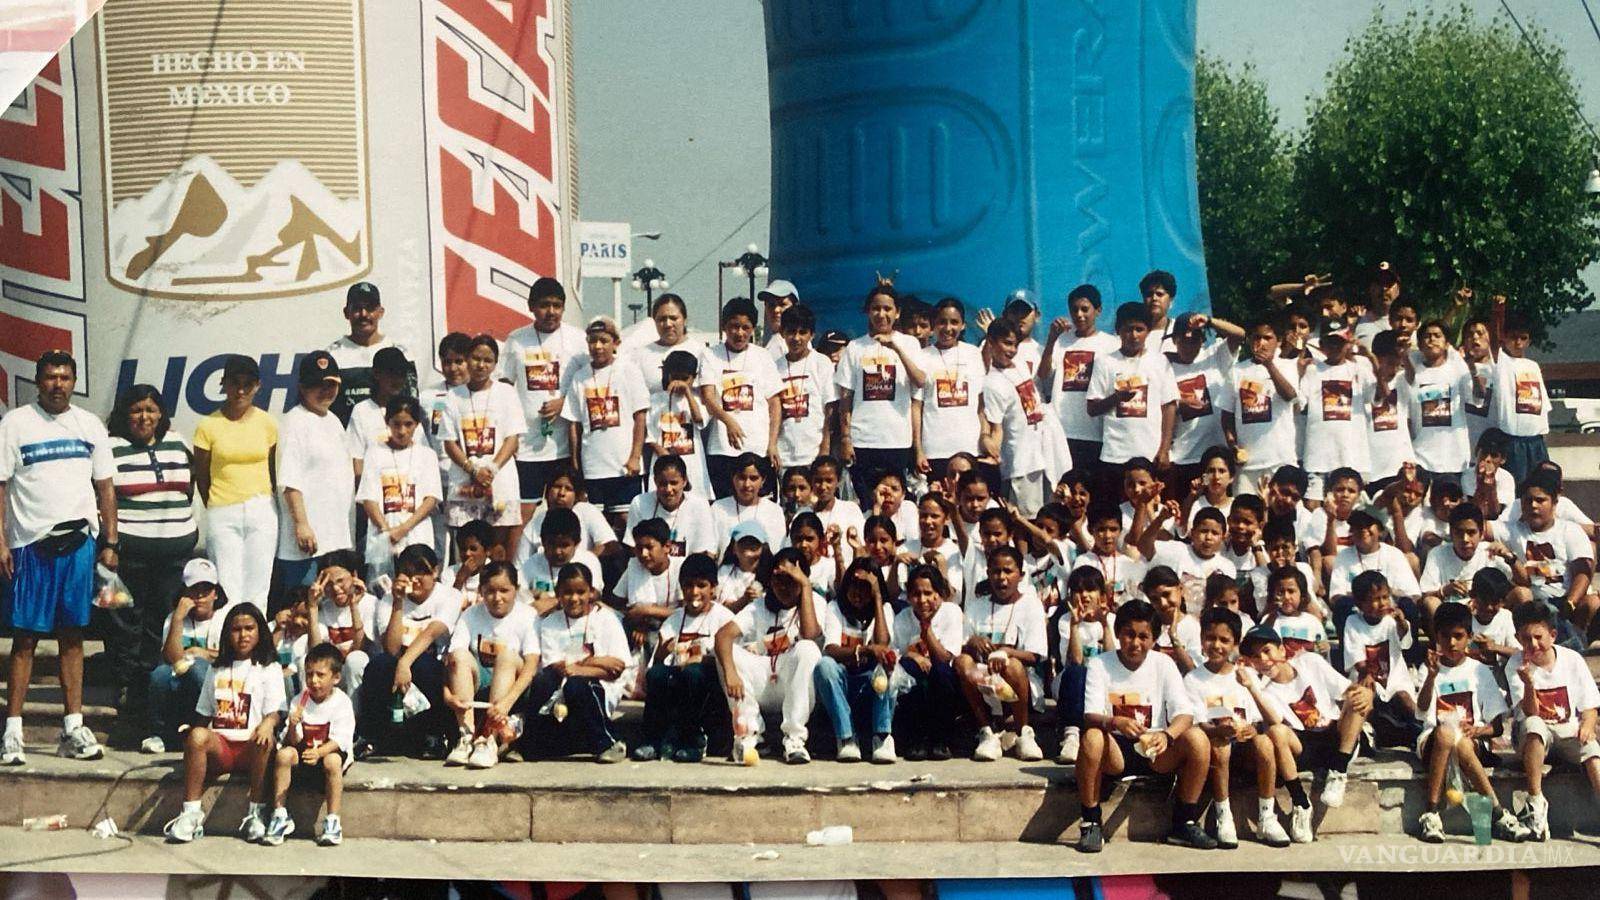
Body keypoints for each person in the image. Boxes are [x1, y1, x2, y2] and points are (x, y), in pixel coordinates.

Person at [0, 350, 118, 766]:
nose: (58, 384)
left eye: (65, 377)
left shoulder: (90, 425)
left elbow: (106, 488)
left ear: (74, 382)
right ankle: (12, 732)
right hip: (30, 544)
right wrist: (1, 542)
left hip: (79, 544)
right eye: (50, 377)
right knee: (25, 640)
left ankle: (73, 728)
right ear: (38, 381)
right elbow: (1, 486)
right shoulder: (15, 424)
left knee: (72, 637)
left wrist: (110, 542)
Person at [1075, 598, 1214, 852]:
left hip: (1154, 749)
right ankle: (1091, 821)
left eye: (1143, 636)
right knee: (1092, 736)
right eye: (1129, 634)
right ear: (1118, 633)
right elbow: (1090, 715)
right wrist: (1114, 721)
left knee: (1198, 739)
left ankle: (1184, 822)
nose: (1135, 643)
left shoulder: (1164, 663)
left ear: (1153, 639)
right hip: (1115, 749)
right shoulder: (1100, 663)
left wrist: (1167, 735)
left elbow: (1185, 714)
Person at [105, 384, 198, 746]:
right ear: (124, 415)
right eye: (136, 410)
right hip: (128, 554)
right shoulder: (111, 447)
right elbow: (104, 497)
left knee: (160, 622)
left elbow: (189, 488)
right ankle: (128, 695)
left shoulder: (177, 442)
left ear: (161, 414)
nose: (144, 417)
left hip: (173, 555)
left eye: (150, 409)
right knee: (125, 621)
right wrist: (110, 545)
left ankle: (151, 692)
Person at [161, 603, 286, 843]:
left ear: (260, 631)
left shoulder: (269, 668)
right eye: (236, 630)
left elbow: (275, 713)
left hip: (252, 747)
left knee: (265, 739)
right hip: (223, 748)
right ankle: (191, 814)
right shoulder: (216, 668)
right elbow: (204, 712)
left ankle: (256, 813)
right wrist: (192, 731)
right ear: (227, 634)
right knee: (197, 736)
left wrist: (268, 724)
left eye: (249, 628)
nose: (243, 635)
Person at [1414, 603, 1529, 844]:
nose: (1451, 643)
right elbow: (1421, 711)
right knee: (1447, 733)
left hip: (1470, 745)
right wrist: (1431, 678)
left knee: (1462, 743)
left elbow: (1497, 727)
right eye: (1445, 636)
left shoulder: (1479, 671)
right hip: (1434, 744)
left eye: (1458, 636)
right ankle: (1432, 813)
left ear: (1469, 637)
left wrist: (1477, 730)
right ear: (1436, 637)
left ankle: (1497, 813)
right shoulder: (1429, 669)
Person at [1184, 607, 1295, 848]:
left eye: (1224, 640)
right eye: (1210, 638)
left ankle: (1267, 816)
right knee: (1221, 746)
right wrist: (1217, 731)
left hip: (1244, 751)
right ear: (1202, 639)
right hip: (1215, 753)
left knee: (1264, 742)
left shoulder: (1244, 675)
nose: (1216, 645)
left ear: (1234, 644)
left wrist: (1252, 730)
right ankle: (1224, 815)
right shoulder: (1193, 679)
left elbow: (1256, 720)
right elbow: (1198, 724)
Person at [1241, 624, 1372, 816]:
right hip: (1304, 745)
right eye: (1256, 657)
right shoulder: (1264, 691)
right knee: (1277, 731)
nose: (1264, 660)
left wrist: (1366, 693)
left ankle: (1338, 772)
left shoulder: (1310, 662)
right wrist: (1251, 687)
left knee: (1359, 695)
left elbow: (1347, 690)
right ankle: (1301, 805)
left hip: (1335, 736)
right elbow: (1275, 720)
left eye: (1267, 651)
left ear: (1282, 650)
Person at [715, 548, 824, 764]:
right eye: (778, 579)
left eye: (790, 580)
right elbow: (723, 636)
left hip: (791, 684)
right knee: (725, 652)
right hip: (762, 681)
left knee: (808, 648)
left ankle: (794, 740)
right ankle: (750, 735)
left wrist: (805, 586)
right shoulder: (760, 605)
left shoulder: (814, 601)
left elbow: (811, 635)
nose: (783, 586)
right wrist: (731, 674)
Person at [354, 545, 462, 760]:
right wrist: (398, 603)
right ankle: (372, 735)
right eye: (408, 573)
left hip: (432, 664)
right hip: (397, 665)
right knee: (379, 664)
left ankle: (434, 735)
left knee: (424, 665)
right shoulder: (388, 600)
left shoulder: (450, 596)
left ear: (435, 572)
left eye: (421, 572)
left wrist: (405, 663)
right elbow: (391, 648)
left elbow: (432, 632)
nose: (414, 579)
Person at [1507, 601, 1600, 840]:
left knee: (1592, 748)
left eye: (1538, 637)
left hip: (1567, 729)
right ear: (1518, 639)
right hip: (1532, 737)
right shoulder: (1515, 664)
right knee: (1535, 725)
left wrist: (1588, 725)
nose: (1533, 644)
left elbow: (1590, 705)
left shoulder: (1572, 659)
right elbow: (1530, 712)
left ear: (1553, 635)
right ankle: (1536, 803)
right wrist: (1529, 684)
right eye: (1526, 639)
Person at [193, 354, 278, 611]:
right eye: (234, 383)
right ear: (224, 384)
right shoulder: (207, 425)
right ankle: (228, 636)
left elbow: (273, 471)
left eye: (247, 384)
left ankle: (256, 635)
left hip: (262, 509)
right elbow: (202, 476)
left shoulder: (267, 423)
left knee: (259, 584)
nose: (240, 391)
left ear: (257, 386)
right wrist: (218, 503)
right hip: (222, 511)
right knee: (227, 584)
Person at [634, 553, 734, 762]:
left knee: (693, 673)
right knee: (656, 675)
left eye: (701, 586)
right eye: (688, 586)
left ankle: (694, 741)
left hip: (709, 686)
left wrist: (704, 659)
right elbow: (658, 662)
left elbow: (733, 660)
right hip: (679, 680)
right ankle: (653, 740)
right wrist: (664, 651)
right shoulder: (675, 619)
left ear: (713, 588)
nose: (694, 592)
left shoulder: (724, 618)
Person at [525, 563, 630, 763]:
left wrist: (585, 664)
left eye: (581, 592)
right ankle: (532, 744)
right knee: (542, 681)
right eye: (567, 593)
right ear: (558, 593)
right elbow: (556, 666)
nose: (574, 598)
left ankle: (607, 743)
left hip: (599, 687)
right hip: (563, 687)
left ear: (591, 592)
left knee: (577, 684)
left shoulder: (606, 619)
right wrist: (600, 664)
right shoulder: (550, 623)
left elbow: (617, 667)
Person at [834, 283, 928, 502]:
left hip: (897, 440)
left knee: (894, 502)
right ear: (868, 311)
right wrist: (846, 438)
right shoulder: (854, 347)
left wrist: (895, 348)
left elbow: (920, 381)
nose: (881, 314)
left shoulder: (909, 343)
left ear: (897, 313)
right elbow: (845, 400)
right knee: (866, 503)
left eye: (887, 309)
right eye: (876, 308)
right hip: (863, 441)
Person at [274, 351, 355, 603]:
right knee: (303, 607)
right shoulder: (294, 422)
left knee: (332, 610)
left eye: (331, 384)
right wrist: (301, 524)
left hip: (334, 537)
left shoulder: (334, 421)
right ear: (302, 387)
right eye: (317, 385)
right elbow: (290, 481)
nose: (325, 391)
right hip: (307, 543)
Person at [444, 561, 540, 769]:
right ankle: (466, 736)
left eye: (504, 591)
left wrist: (506, 702)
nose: (497, 598)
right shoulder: (470, 614)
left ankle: (489, 740)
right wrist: (448, 696)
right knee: (459, 656)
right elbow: (451, 659)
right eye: (490, 591)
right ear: (481, 591)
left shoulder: (528, 616)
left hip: (513, 688)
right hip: (480, 686)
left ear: (516, 589)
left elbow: (532, 666)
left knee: (506, 657)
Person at [502, 277, 587, 509]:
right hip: (527, 445)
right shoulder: (517, 340)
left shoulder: (578, 339)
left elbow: (591, 383)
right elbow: (504, 388)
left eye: (557, 306)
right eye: (544, 305)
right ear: (531, 306)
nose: (551, 312)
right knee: (524, 512)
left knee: (564, 512)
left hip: (565, 446)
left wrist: (564, 403)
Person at [959, 546, 1047, 761]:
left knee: (1013, 665)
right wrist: (972, 642)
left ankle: (1023, 733)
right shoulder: (976, 606)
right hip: (983, 679)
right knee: (962, 661)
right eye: (996, 571)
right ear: (988, 573)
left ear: (1021, 575)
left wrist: (1007, 652)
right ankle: (987, 732)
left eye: (1008, 571)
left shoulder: (1031, 605)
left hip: (1019, 681)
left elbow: (1035, 656)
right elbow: (961, 648)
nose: (1002, 578)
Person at [264, 641, 354, 846]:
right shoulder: (299, 701)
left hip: (328, 754)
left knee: (332, 761)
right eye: (309, 674)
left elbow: (340, 739)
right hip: (304, 754)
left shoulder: (341, 702)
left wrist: (319, 753)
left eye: (320, 675)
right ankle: (280, 814)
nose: (314, 681)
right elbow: (291, 741)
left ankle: (333, 821)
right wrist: (293, 726)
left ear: (336, 677)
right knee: (284, 755)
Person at [441, 334, 525, 552]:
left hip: (499, 482)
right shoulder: (453, 396)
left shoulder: (506, 393)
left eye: (488, 360)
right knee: (467, 550)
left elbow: (512, 438)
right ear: (467, 358)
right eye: (476, 358)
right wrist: (473, 469)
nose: (481, 365)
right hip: (465, 483)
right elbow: (449, 442)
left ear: (495, 364)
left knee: (496, 550)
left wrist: (491, 469)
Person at [563, 316, 647, 523]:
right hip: (593, 467)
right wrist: (576, 462)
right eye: (593, 341)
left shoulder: (629, 370)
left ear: (616, 343)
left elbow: (640, 417)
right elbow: (574, 423)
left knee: (625, 519)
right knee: (595, 521)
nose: (598, 346)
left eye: (604, 340)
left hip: (623, 466)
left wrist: (635, 456)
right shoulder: (580, 377)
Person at [698, 297, 783, 499]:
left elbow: (774, 403)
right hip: (723, 449)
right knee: (726, 506)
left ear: (753, 329)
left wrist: (772, 443)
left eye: (746, 327)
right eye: (734, 326)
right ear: (724, 327)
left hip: (757, 447)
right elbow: (708, 397)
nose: (740, 333)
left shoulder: (762, 356)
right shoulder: (710, 355)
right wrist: (728, 422)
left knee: (760, 505)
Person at [981, 316, 1067, 517]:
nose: (1012, 350)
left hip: (1042, 458)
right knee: (1027, 520)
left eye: (1015, 344)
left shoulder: (1018, 364)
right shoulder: (993, 383)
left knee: (1048, 516)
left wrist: (1052, 339)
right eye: (1006, 343)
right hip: (1020, 466)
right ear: (991, 342)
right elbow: (996, 428)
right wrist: (993, 452)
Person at [814, 560, 896, 763]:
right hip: (845, 683)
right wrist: (864, 650)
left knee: (885, 666)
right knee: (824, 666)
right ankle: (847, 738)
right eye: (854, 585)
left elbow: (882, 645)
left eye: (865, 587)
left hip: (871, 685)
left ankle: (882, 737)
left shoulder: (884, 608)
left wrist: (877, 598)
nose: (858, 593)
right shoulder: (835, 607)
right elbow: (831, 650)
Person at [143, 558, 228, 754]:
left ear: (215, 593)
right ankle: (160, 734)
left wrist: (204, 654)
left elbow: (233, 656)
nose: (200, 596)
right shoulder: (174, 618)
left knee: (198, 667)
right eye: (194, 590)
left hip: (213, 679)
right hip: (180, 679)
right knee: (159, 675)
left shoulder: (225, 618)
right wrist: (178, 618)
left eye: (206, 590)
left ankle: (208, 728)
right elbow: (171, 657)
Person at [1038, 284, 1121, 482]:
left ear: (1098, 310)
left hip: (1096, 432)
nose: (1079, 315)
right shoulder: (1061, 341)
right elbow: (1043, 375)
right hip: (1062, 431)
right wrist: (1051, 340)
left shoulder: (1112, 344)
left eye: (1085, 309)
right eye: (1074, 310)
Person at [356, 395, 443, 580]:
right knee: (384, 586)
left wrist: (403, 529)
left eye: (408, 424)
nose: (402, 431)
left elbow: (431, 499)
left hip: (416, 535)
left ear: (417, 424)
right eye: (396, 424)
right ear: (387, 422)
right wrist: (387, 532)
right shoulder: (374, 453)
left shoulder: (427, 455)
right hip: (383, 537)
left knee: (417, 584)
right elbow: (368, 499)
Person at [1087, 302, 1178, 477]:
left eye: (1139, 329)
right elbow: (1092, 408)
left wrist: (1164, 449)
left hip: (1150, 454)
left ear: (1148, 331)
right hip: (1115, 454)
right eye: (1128, 329)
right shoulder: (1105, 362)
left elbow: (1169, 406)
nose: (1134, 335)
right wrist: (1117, 398)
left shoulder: (1160, 362)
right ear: (1118, 330)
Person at [891, 563, 964, 761]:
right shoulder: (902, 618)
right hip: (917, 680)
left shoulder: (951, 612)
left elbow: (945, 657)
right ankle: (917, 739)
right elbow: (895, 653)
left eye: (928, 593)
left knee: (940, 672)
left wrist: (926, 629)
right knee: (908, 668)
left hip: (945, 680)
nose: (922, 600)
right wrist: (913, 655)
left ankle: (941, 740)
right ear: (908, 596)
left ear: (939, 594)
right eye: (916, 594)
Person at [1297, 320, 1375, 504]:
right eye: (1330, 342)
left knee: (1351, 510)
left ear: (1347, 343)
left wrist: (1371, 358)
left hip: (1352, 457)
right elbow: (1299, 404)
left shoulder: (1359, 369)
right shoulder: (1312, 370)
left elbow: (1377, 396)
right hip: (1318, 456)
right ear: (1321, 345)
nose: (1335, 347)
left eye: (1339, 342)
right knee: (1313, 506)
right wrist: (1298, 373)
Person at [1220, 315, 1299, 495]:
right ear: (1249, 340)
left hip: (1281, 461)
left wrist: (1269, 365)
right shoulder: (1237, 371)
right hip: (1247, 465)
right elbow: (1227, 416)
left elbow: (1289, 396)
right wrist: (1232, 445)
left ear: (1279, 341)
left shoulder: (1287, 366)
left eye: (1267, 338)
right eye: (1256, 337)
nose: (1261, 343)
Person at [1164, 313, 1243, 493]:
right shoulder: (1166, 366)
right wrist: (1179, 403)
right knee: (1188, 504)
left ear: (1202, 341)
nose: (1189, 346)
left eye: (1194, 341)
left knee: (1214, 503)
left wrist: (1209, 321)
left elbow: (1239, 334)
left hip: (1216, 461)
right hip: (1184, 458)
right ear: (1174, 340)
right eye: (1184, 341)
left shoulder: (1215, 356)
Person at [913, 297, 986, 482]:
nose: (948, 328)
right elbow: (916, 407)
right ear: (933, 325)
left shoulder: (973, 354)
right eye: (942, 322)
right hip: (935, 450)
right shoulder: (922, 357)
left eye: (954, 322)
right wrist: (918, 450)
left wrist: (986, 438)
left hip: (969, 448)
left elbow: (981, 405)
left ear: (963, 325)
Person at [327, 282, 414, 425]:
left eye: (370, 308)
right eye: (357, 308)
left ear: (380, 312)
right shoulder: (333, 355)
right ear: (346, 313)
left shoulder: (401, 354)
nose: (364, 314)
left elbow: (412, 405)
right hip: (349, 437)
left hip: (391, 436)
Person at [1487, 296, 1550, 486]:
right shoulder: (1501, 363)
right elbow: (1493, 341)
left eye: (1523, 338)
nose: (1518, 343)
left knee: (1541, 487)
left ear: (1529, 341)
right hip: (1513, 443)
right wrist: (1498, 313)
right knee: (1516, 489)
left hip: (1536, 443)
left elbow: (1542, 407)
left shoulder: (1533, 366)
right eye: (1514, 337)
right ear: (1505, 339)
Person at [1406, 320, 1474, 487]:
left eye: (1437, 336)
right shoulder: (1412, 374)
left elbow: (1476, 397)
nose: (1432, 340)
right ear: (1419, 344)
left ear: (1447, 343)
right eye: (1427, 336)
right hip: (1421, 458)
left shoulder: (1458, 370)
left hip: (1454, 459)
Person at [345, 347, 422, 482]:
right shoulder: (362, 411)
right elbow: (356, 460)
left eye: (401, 374)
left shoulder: (411, 408)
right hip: (375, 489)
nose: (397, 380)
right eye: (391, 373)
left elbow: (421, 453)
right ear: (377, 374)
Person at [774, 304, 836, 471]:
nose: (796, 338)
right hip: (783, 456)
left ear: (812, 335)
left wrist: (825, 447)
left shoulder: (821, 363)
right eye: (791, 332)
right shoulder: (774, 367)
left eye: (802, 332)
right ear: (782, 333)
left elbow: (830, 408)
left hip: (814, 454)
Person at [623, 455, 719, 559]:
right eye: (663, 484)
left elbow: (706, 552)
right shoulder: (640, 503)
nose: (668, 489)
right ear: (655, 481)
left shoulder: (699, 505)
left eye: (674, 483)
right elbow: (633, 547)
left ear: (684, 481)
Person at [646, 350, 712, 499]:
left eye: (685, 378)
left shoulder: (697, 399)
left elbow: (699, 419)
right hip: (663, 462)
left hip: (692, 462)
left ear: (693, 378)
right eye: (675, 377)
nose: (679, 382)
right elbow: (650, 436)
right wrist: (667, 459)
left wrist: (688, 393)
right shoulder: (655, 400)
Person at [627, 293, 706, 406]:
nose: (668, 324)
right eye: (662, 319)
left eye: (673, 318)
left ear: (685, 319)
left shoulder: (701, 353)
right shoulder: (639, 356)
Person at [710, 453, 787, 554]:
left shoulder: (774, 511)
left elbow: (777, 550)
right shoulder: (718, 508)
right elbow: (711, 550)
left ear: (763, 480)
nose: (747, 484)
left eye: (753, 478)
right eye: (742, 478)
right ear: (733, 478)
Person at [1139, 269, 1180, 353]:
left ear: (1171, 300)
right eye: (1149, 294)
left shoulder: (1180, 331)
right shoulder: (1133, 333)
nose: (1154, 298)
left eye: (1159, 294)